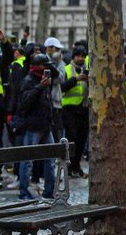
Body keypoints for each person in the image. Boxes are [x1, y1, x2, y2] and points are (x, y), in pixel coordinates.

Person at [13, 52, 56, 200]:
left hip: (45, 125)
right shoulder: (28, 81)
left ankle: (49, 191)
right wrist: (39, 87)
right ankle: (24, 191)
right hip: (33, 127)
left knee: (50, 160)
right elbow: (24, 103)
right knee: (28, 160)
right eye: (45, 66)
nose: (47, 69)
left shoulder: (45, 80)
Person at [61, 45, 89, 177]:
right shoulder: (66, 70)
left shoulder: (87, 70)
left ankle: (76, 166)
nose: (81, 58)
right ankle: (69, 166)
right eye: (78, 56)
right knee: (71, 138)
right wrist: (76, 79)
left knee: (82, 139)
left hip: (83, 109)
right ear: (73, 57)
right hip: (69, 109)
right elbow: (62, 87)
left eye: (83, 56)